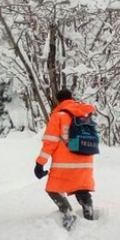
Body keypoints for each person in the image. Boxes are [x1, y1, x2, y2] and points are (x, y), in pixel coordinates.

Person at [35, 88, 96, 228]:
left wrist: (39, 163)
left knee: (52, 189)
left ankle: (68, 213)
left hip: (65, 163)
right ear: (71, 97)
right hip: (85, 160)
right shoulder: (84, 114)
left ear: (58, 101)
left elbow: (50, 143)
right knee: (82, 188)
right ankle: (89, 215)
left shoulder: (58, 116)